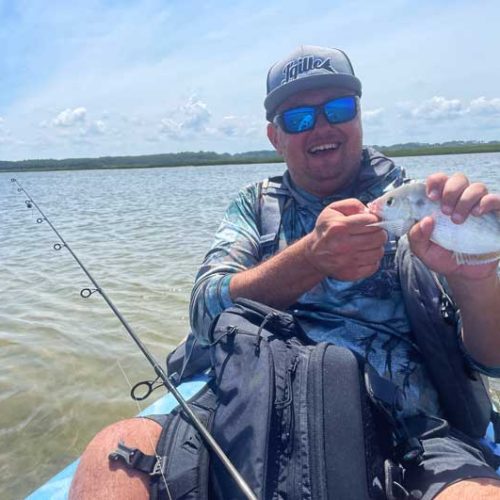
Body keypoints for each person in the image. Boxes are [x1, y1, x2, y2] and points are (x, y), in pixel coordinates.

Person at [70, 45, 500, 499]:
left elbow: (490, 361)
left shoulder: (427, 206)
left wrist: (475, 280)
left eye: (338, 108)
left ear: (358, 115)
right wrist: (310, 259)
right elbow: (203, 309)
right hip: (249, 400)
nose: (322, 127)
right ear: (275, 136)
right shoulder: (254, 206)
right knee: (112, 456)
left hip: (410, 428)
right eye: (298, 118)